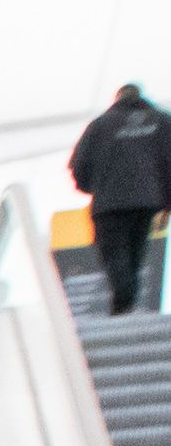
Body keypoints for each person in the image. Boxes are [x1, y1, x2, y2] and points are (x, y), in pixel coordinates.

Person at [74, 82, 166, 315]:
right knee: (134, 252)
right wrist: (166, 202)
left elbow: (79, 165)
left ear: (117, 99)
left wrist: (92, 187)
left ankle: (124, 304)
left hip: (109, 204)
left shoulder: (100, 126)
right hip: (146, 202)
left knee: (114, 252)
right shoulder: (163, 122)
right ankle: (126, 304)